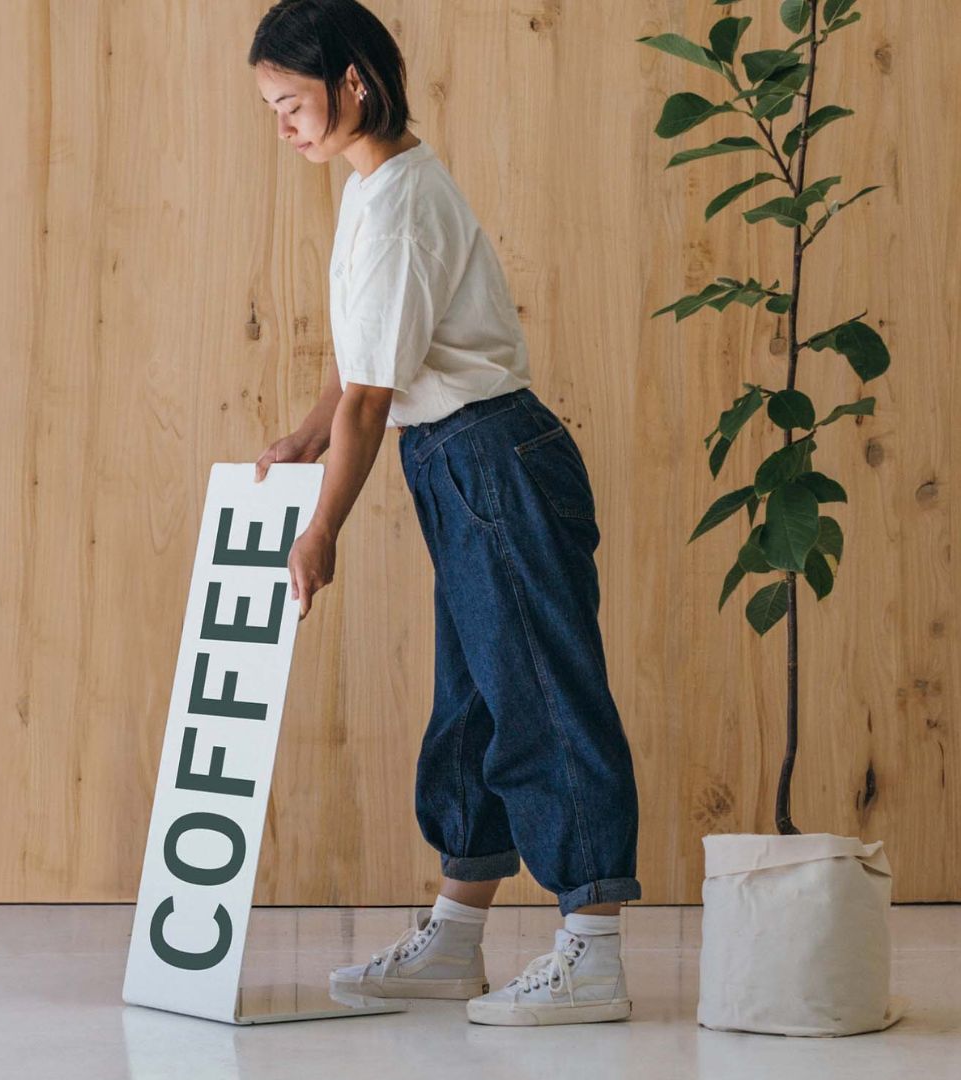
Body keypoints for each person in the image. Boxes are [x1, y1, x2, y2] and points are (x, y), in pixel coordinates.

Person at [248, 0, 642, 1026]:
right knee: (471, 704)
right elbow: (360, 353)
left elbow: (375, 398)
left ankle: (591, 950)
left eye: (292, 104)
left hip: (490, 457)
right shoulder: (374, 187)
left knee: (542, 699)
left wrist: (323, 526)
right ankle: (455, 939)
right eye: (272, 109)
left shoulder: (398, 201)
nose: (284, 125)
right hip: (457, 461)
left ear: (354, 84)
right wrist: (304, 431)